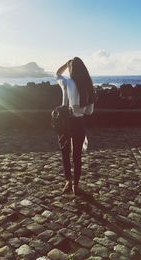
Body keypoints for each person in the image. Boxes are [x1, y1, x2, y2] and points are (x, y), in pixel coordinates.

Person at [56, 57, 94, 195]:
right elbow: (89, 112)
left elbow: (57, 74)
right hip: (79, 123)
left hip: (65, 122)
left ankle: (68, 181)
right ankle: (76, 185)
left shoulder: (67, 83)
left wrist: (66, 64)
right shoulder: (89, 86)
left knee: (65, 153)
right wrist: (78, 109)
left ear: (72, 69)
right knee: (77, 155)